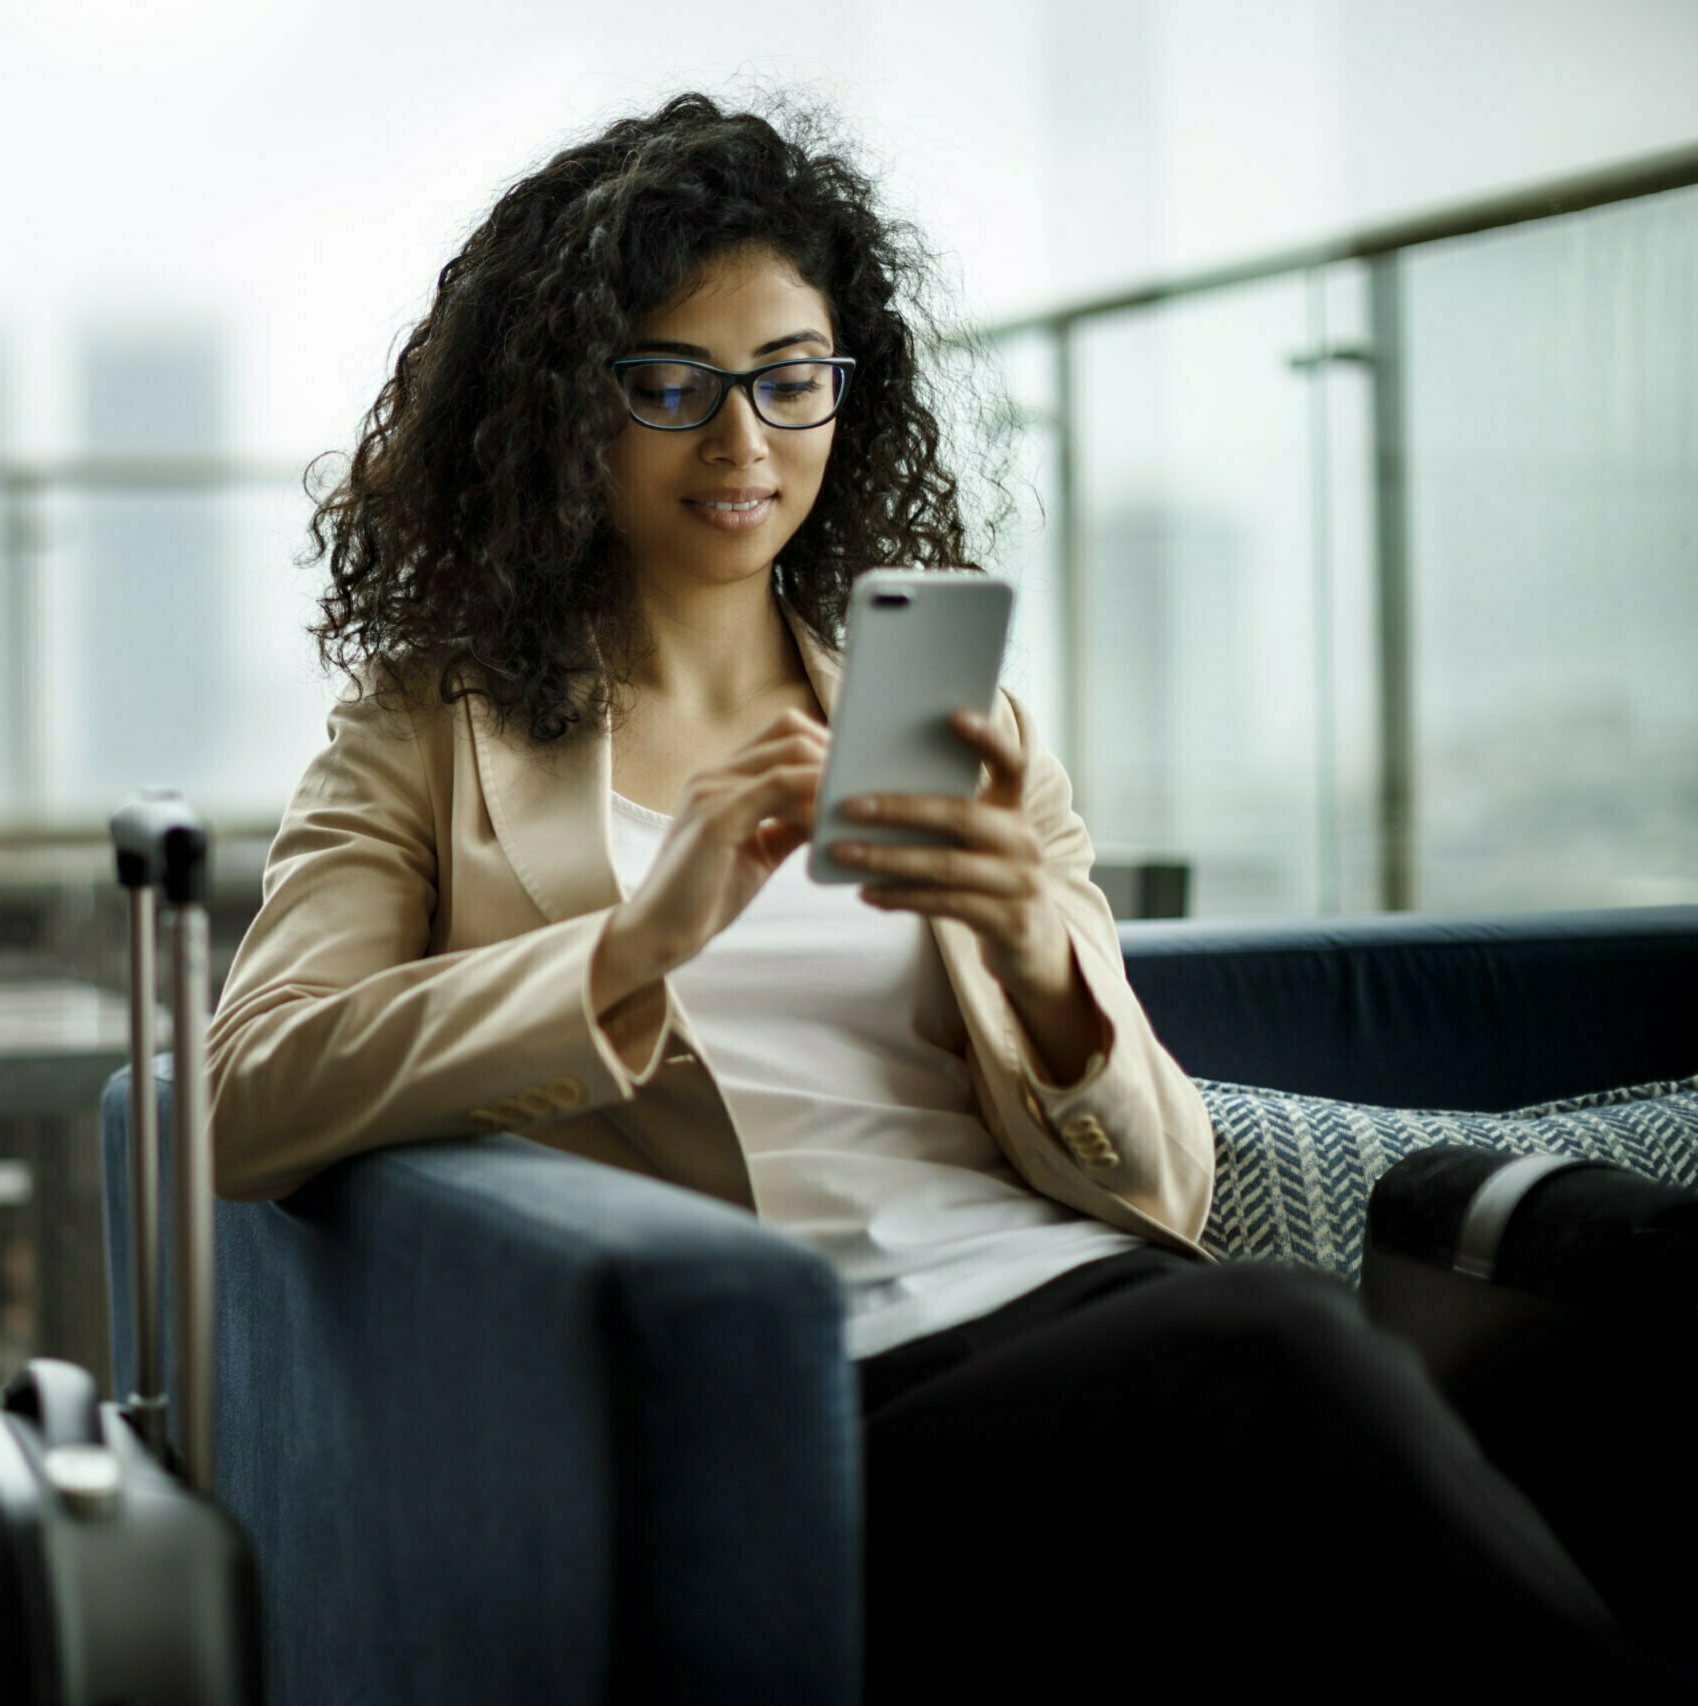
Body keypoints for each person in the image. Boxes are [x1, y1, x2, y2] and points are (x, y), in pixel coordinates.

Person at [202, 91, 1690, 1701]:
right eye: (670, 384)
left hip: (1088, 1303)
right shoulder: (435, 728)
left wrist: (1044, 965)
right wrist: (636, 945)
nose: (743, 442)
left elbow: (1170, 1183)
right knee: (1283, 1356)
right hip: (817, 1394)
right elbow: (247, 1091)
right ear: (569, 407)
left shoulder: (941, 718)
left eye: (789, 379)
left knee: (1577, 1356)